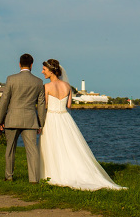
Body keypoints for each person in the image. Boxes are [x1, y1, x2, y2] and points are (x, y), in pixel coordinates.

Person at [39, 59, 125, 190]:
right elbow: (68, 105)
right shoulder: (67, 86)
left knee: (53, 145)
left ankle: (53, 174)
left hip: (51, 118)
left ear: (51, 71)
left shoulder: (47, 87)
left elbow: (44, 106)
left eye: (44, 69)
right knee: (69, 146)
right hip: (65, 118)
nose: (42, 72)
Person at [0, 53, 46, 182]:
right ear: (31, 65)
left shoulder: (11, 79)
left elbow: (4, 101)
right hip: (30, 120)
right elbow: (41, 104)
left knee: (10, 149)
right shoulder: (38, 82)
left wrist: (0, 119)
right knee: (32, 151)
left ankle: (9, 176)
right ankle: (34, 179)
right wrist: (41, 123)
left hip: (12, 119)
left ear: (19, 64)